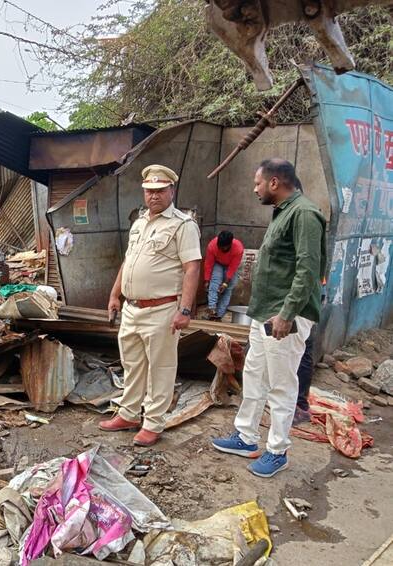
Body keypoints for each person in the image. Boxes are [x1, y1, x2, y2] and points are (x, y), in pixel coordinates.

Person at [212, 159, 326, 478]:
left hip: (283, 316)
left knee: (281, 384)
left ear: (274, 182)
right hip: (264, 313)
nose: (255, 188)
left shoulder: (304, 214)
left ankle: (277, 451)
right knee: (255, 376)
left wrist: (287, 313)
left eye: (258, 182)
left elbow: (308, 270)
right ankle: (246, 437)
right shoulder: (284, 212)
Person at [99, 165, 202, 447]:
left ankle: (153, 423)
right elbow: (128, 262)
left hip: (163, 310)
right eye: (149, 191)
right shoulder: (140, 223)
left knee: (161, 368)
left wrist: (185, 309)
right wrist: (114, 295)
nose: (154, 196)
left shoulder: (183, 225)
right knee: (131, 365)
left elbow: (192, 268)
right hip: (132, 308)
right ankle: (129, 413)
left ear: (171, 191)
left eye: (160, 190)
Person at [203, 230, 244, 320]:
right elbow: (209, 263)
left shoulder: (238, 248)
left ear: (230, 244)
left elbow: (233, 267)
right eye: (220, 247)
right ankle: (212, 310)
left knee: (228, 289)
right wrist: (206, 280)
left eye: (224, 247)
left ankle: (219, 315)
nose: (221, 249)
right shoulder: (212, 246)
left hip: (230, 265)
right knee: (214, 284)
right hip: (218, 263)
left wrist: (225, 283)